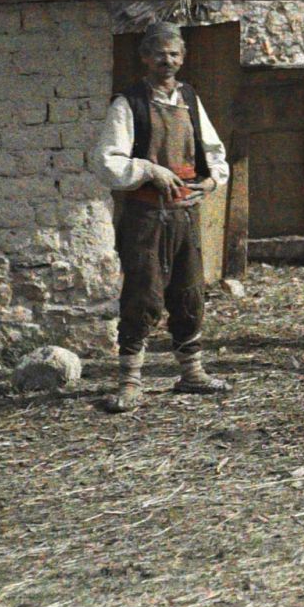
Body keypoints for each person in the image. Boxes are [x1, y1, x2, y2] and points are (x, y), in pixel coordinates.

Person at [95, 22, 232, 412]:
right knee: (143, 293)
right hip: (145, 216)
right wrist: (150, 170)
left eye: (174, 54)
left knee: (188, 292)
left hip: (184, 215)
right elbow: (107, 163)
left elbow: (213, 151)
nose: (166, 61)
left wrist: (211, 182)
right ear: (144, 58)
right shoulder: (128, 104)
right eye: (159, 54)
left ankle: (191, 373)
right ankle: (130, 382)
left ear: (183, 58)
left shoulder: (189, 98)